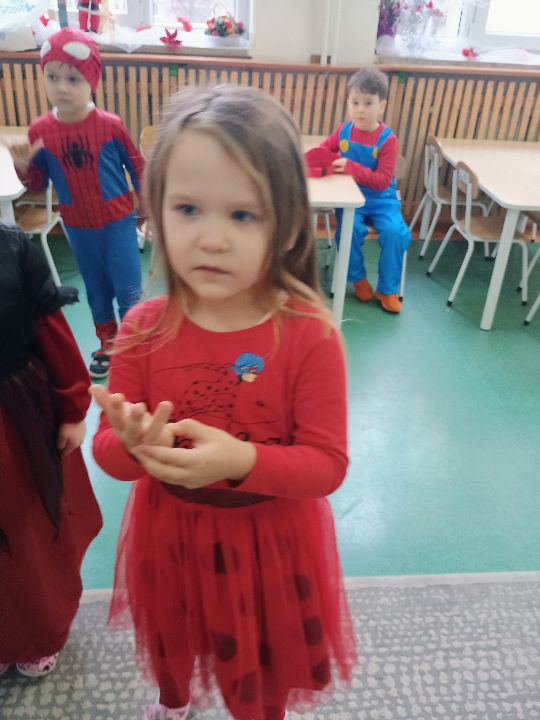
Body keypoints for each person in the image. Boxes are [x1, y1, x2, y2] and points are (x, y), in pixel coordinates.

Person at [92, 85, 356, 720]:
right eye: (187, 208)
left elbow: (327, 465)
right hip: (170, 532)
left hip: (269, 542)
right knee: (171, 633)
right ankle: (172, 701)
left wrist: (240, 460)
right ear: (154, 213)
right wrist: (132, 443)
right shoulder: (143, 327)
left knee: (258, 664)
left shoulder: (309, 334)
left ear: (289, 226)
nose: (211, 239)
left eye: (243, 215)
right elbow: (109, 454)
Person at [8, 27, 144, 378]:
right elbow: (38, 184)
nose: (62, 88)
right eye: (52, 77)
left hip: (118, 221)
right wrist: (24, 166)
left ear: (92, 81)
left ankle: (134, 345)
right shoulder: (41, 131)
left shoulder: (110, 126)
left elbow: (137, 165)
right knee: (96, 289)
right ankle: (108, 343)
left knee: (128, 287)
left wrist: (148, 205)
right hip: (79, 227)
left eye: (73, 78)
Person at [0, 222, 102, 679]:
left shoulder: (12, 248)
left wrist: (74, 408)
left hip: (16, 425)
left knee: (28, 539)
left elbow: (54, 336)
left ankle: (38, 634)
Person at [306, 67, 411, 314]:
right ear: (348, 103)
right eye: (355, 103)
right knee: (349, 230)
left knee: (395, 232)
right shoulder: (344, 131)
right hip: (351, 198)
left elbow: (382, 181)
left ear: (381, 106)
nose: (360, 110)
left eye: (368, 103)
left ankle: (388, 289)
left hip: (382, 199)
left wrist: (351, 167)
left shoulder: (387, 140)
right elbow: (324, 150)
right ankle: (358, 279)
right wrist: (318, 161)